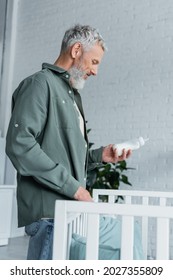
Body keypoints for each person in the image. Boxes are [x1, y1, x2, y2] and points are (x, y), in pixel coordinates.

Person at [5, 24, 132, 260]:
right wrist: (74, 189)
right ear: (76, 50)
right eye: (94, 62)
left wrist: (100, 156)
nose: (96, 72)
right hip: (49, 215)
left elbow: (63, 156)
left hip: (67, 211)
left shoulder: (71, 94)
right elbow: (20, 144)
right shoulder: (40, 84)